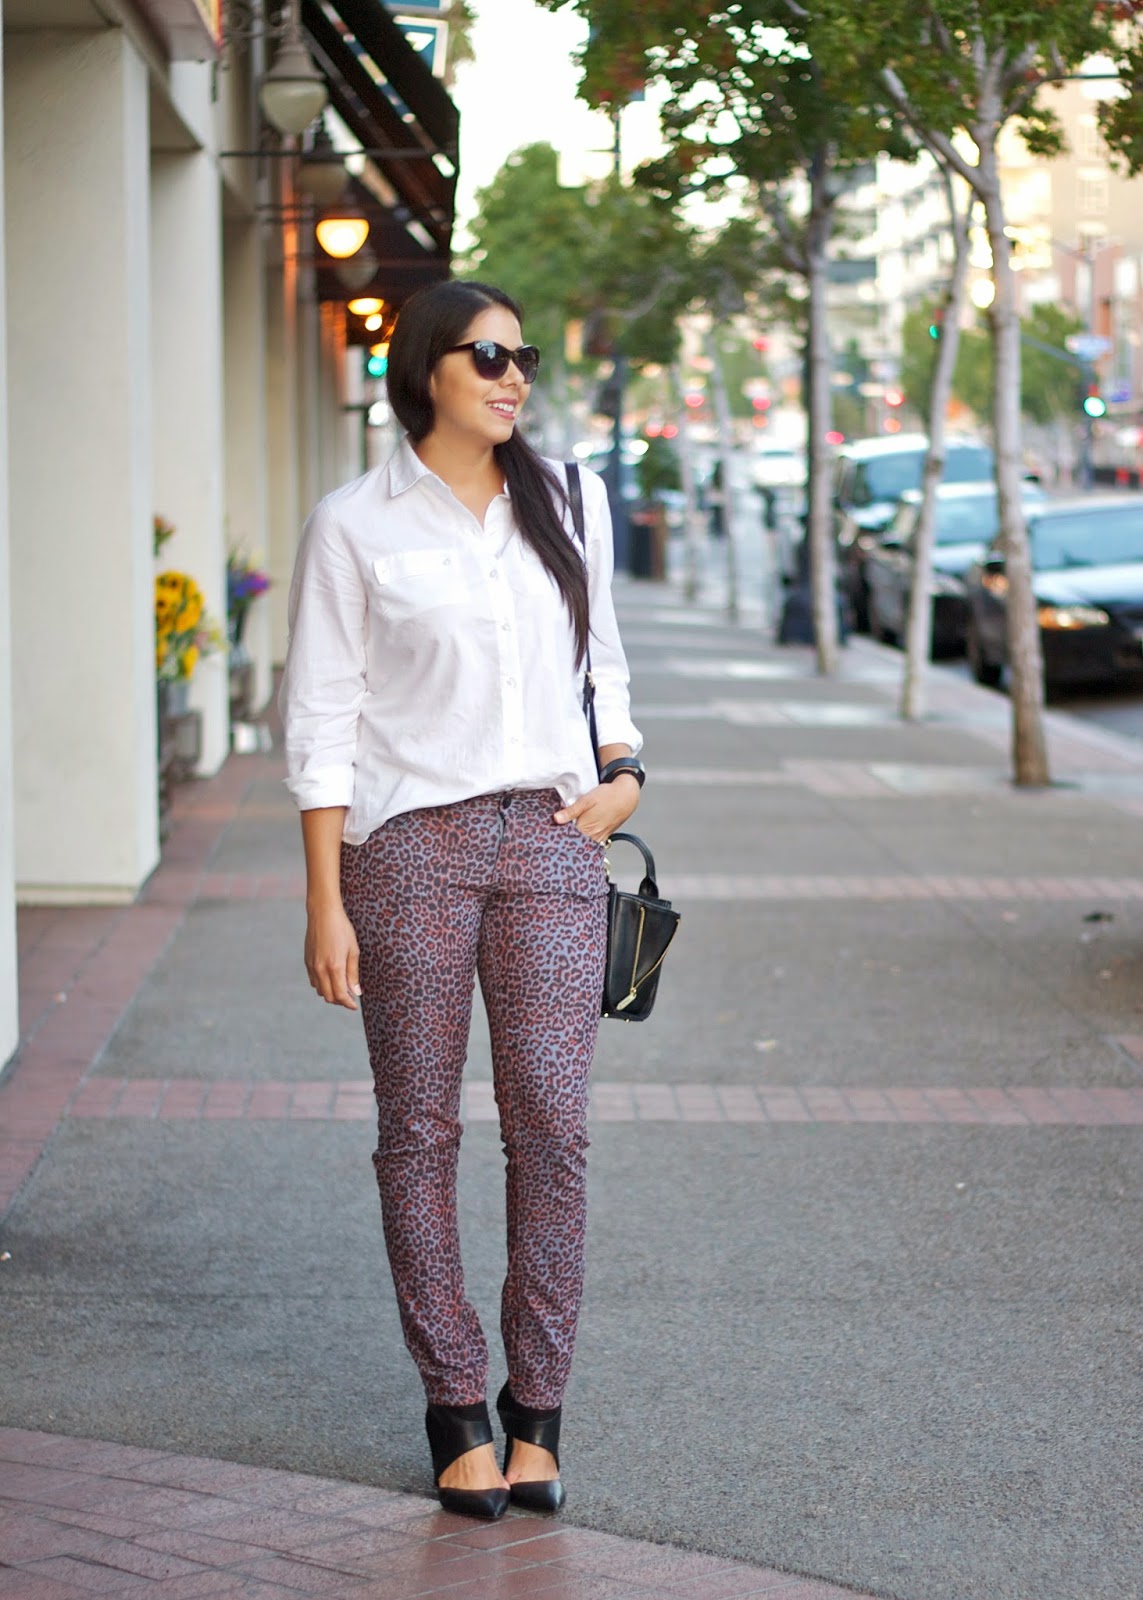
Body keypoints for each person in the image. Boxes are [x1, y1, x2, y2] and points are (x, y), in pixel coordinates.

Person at [278, 280, 644, 1521]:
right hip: (406, 849)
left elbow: (605, 669)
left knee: (552, 1122)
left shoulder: (571, 500)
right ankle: (454, 1403)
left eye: (523, 356)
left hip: (549, 840)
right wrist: (323, 901)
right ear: (425, 367)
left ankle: (539, 1408)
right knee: (419, 1131)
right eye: (489, 355)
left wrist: (624, 778)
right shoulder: (355, 524)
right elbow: (322, 719)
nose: (514, 376)